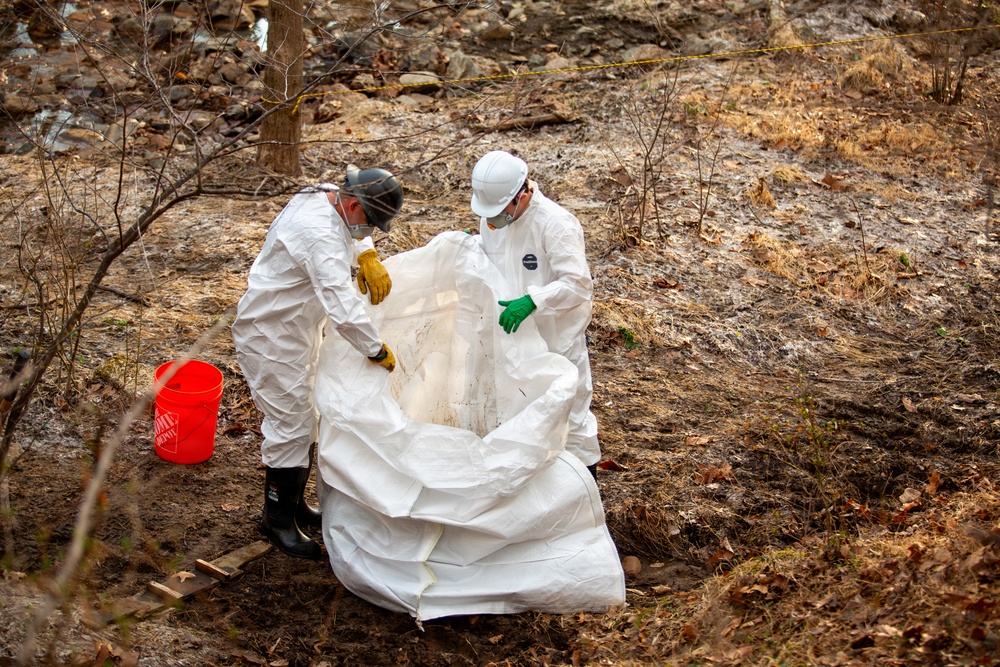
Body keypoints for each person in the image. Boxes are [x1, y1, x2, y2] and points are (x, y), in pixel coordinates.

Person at [232, 165, 404, 559]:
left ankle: (293, 507)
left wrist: (367, 252)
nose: (369, 231)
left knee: (305, 420)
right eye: (371, 224)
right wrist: (375, 349)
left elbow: (350, 232)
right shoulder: (319, 234)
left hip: (297, 327)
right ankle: (277, 523)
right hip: (270, 335)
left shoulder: (328, 193)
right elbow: (342, 307)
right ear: (356, 205)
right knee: (290, 426)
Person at [469, 150, 600, 477]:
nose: (491, 219)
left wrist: (533, 300)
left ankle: (584, 491)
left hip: (556, 341)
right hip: (512, 338)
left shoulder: (554, 224)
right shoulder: (494, 219)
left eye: (498, 211)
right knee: (518, 417)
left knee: (570, 420)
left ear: (521, 194)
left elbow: (579, 285)